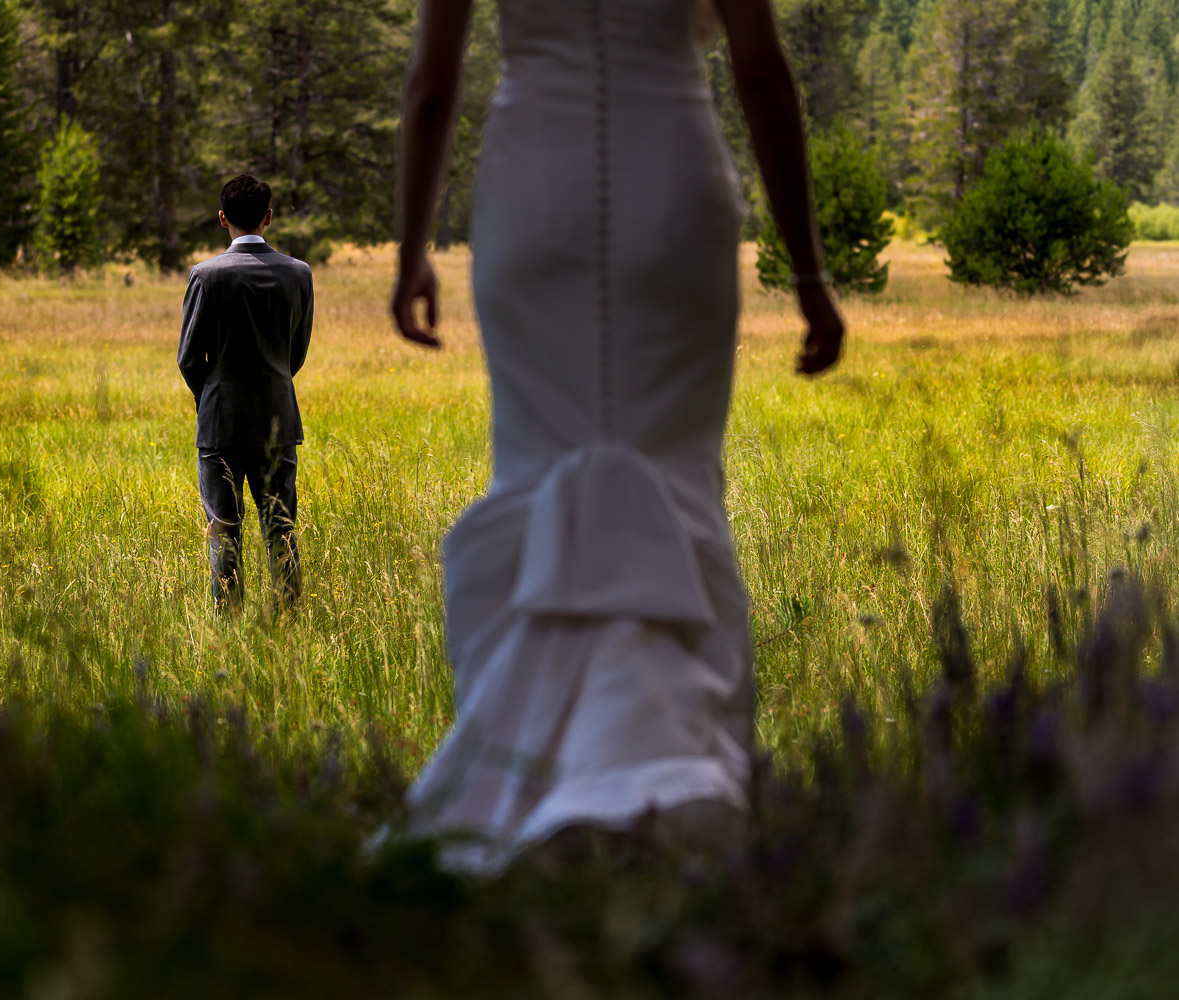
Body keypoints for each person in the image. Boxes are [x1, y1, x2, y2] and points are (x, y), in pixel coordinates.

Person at [389, 0, 845, 869]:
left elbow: (431, 86)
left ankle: (539, 771)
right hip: (671, 182)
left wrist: (412, 248)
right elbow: (760, 74)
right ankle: (663, 774)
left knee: (538, 468)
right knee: (674, 473)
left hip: (533, 191)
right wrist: (809, 275)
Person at [179, 174, 314, 613]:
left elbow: (188, 357)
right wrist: (274, 383)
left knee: (223, 533)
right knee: (281, 530)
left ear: (223, 218)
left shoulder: (205, 275)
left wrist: (210, 397)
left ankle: (229, 627)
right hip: (279, 418)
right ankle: (289, 622)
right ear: (268, 217)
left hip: (220, 423)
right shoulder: (298, 273)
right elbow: (296, 353)